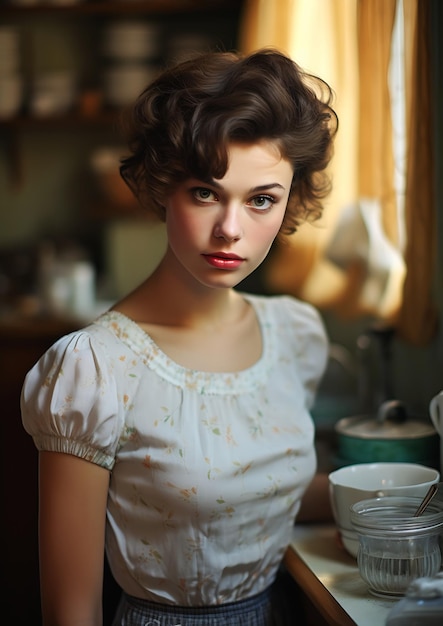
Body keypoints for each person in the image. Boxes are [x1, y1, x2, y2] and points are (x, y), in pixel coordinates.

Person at [21, 47, 338, 626]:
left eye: (261, 199)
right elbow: (70, 612)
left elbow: (263, 491)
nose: (231, 230)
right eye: (205, 192)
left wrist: (393, 490)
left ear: (290, 201)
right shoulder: (94, 369)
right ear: (164, 186)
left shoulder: (295, 335)